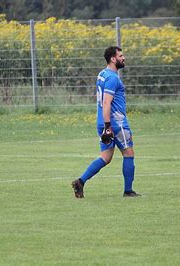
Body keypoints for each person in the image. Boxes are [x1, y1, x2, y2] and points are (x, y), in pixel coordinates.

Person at [71, 46, 140, 198]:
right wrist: (109, 127)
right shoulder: (112, 78)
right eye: (121, 56)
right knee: (129, 153)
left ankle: (80, 182)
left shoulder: (102, 74)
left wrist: (105, 125)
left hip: (102, 121)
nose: (124, 58)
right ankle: (128, 191)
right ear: (113, 59)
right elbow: (107, 102)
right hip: (116, 123)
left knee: (106, 157)